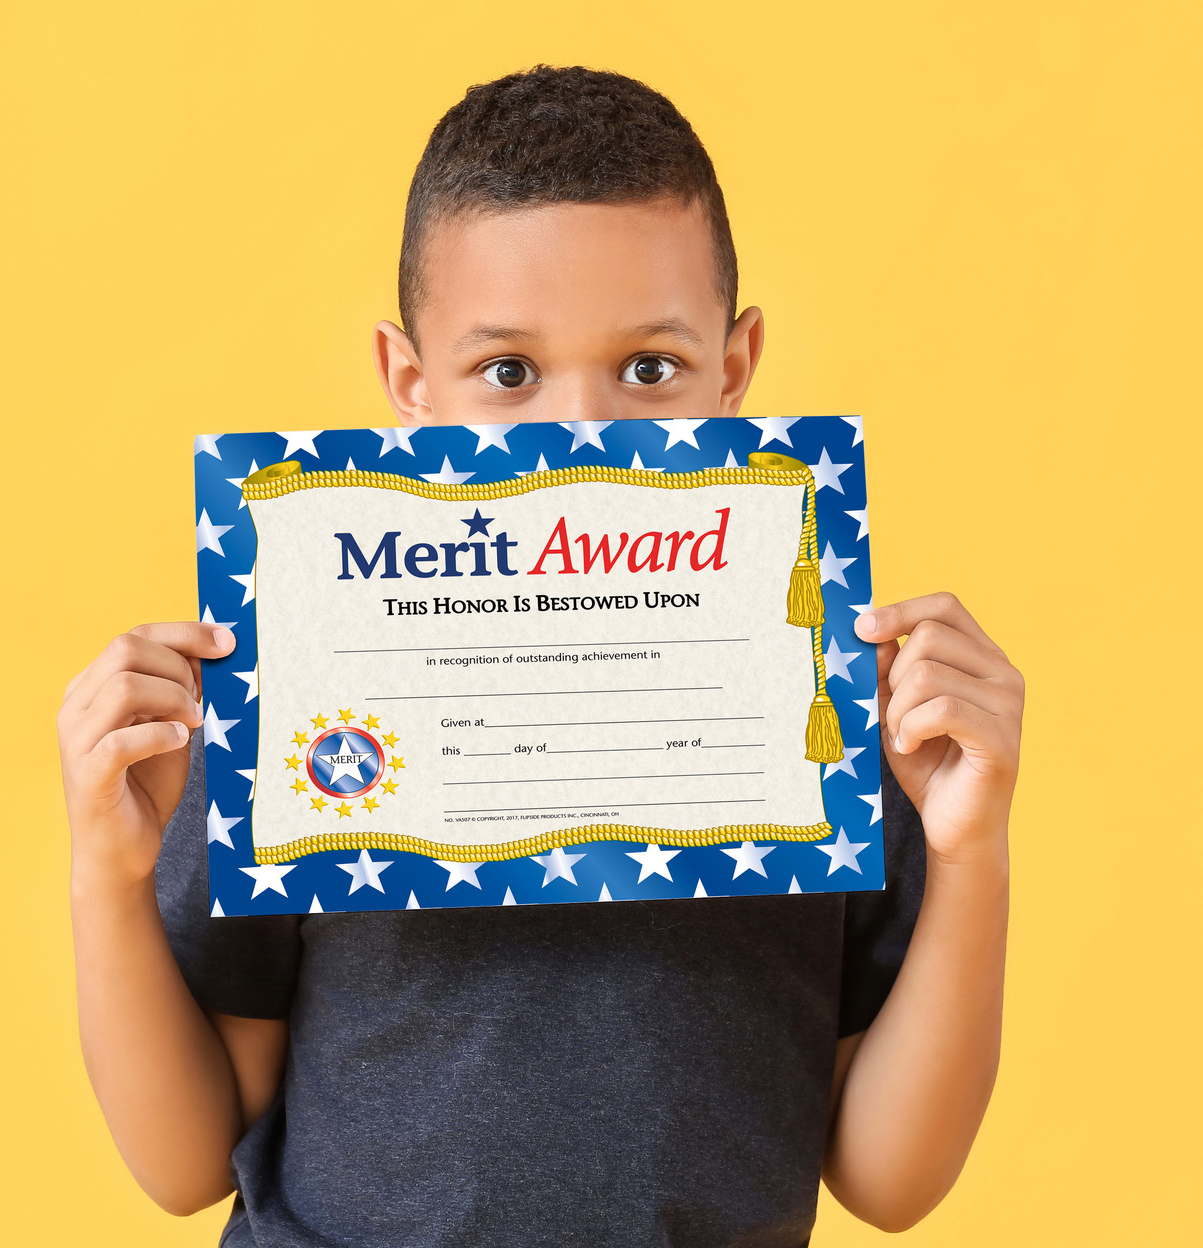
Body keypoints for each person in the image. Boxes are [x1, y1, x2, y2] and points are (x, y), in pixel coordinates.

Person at [57, 66, 1024, 1247]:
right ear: (410, 384)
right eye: (508, 372)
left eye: (649, 368)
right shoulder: (303, 684)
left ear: (733, 367)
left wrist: (970, 851)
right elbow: (185, 1162)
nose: (582, 431)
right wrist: (105, 874)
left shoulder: (822, 708)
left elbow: (887, 1179)